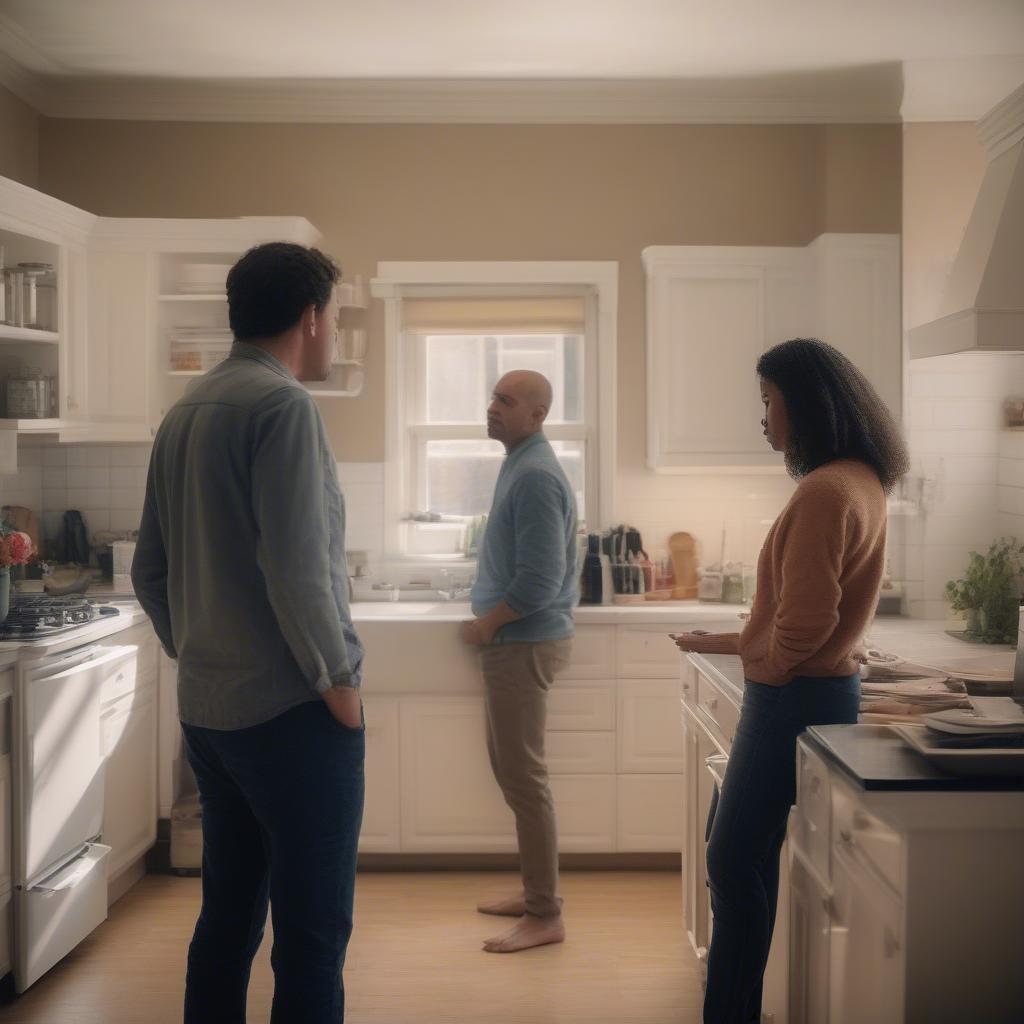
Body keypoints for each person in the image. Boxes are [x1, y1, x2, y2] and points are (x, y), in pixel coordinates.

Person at [132, 242, 365, 1024]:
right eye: (332, 316)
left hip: (209, 715)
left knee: (227, 920)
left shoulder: (186, 410)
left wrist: (198, 657)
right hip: (291, 716)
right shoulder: (283, 407)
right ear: (310, 317)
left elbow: (149, 573)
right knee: (313, 932)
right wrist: (339, 684)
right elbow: (299, 572)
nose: (330, 331)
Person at [673, 337, 908, 1024]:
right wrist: (732, 642)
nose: (764, 418)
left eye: (769, 401)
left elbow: (804, 626)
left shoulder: (825, 490)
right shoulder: (859, 478)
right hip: (817, 691)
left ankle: (731, 1014)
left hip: (793, 697)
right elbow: (793, 614)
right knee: (740, 854)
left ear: (805, 405)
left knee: (732, 860)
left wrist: (761, 667)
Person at [459, 369, 578, 954]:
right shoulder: (522, 462)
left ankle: (544, 914)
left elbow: (539, 579)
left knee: (524, 779)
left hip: (521, 642)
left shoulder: (533, 475)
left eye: (505, 401)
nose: (492, 408)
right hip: (518, 643)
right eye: (493, 397)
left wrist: (488, 623)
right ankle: (536, 894)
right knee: (514, 774)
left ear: (536, 415)